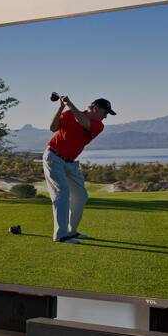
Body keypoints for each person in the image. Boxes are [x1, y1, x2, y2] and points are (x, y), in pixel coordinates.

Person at [44, 95, 114, 243]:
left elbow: (83, 122)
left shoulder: (98, 125)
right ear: (95, 109)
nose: (106, 117)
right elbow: (52, 128)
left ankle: (71, 231)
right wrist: (62, 106)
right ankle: (61, 235)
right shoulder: (69, 114)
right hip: (53, 157)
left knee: (81, 195)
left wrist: (70, 104)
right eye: (105, 113)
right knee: (61, 193)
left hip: (70, 163)